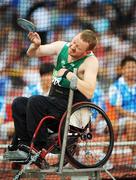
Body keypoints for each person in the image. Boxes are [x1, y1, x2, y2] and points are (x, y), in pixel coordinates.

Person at [4, 29, 98, 160]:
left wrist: (69, 75)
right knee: (19, 103)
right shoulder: (62, 47)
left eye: (78, 48)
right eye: (74, 42)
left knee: (36, 101)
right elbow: (32, 53)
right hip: (53, 103)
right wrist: (35, 45)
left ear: (87, 52)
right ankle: (24, 145)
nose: (72, 47)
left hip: (71, 111)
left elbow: (90, 91)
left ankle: (38, 148)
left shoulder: (90, 61)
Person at [108, 55, 136, 168]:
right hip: (122, 120)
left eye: (134, 67)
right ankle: (134, 157)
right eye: (129, 67)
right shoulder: (116, 86)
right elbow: (118, 109)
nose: (132, 70)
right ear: (122, 69)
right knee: (131, 124)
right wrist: (134, 115)